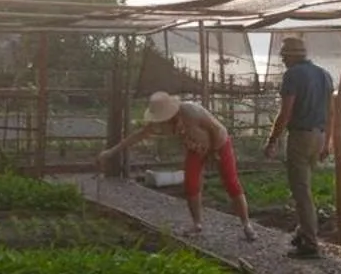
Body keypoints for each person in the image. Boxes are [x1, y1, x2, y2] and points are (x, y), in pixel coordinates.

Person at [99, 92, 256, 240]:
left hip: (219, 143)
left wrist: (214, 152)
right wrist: (112, 152)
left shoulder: (191, 111)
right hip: (196, 148)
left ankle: (246, 224)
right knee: (191, 184)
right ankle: (197, 224)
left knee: (230, 182)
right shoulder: (159, 124)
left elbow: (215, 129)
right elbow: (138, 136)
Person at [263, 35, 334, 258]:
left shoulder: (292, 75)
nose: (283, 59)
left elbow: (286, 113)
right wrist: (328, 141)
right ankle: (302, 231)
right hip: (319, 136)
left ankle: (310, 244)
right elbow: (331, 112)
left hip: (301, 137)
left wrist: (272, 140)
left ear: (291, 56)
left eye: (284, 55)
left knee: (301, 191)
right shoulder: (324, 74)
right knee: (305, 186)